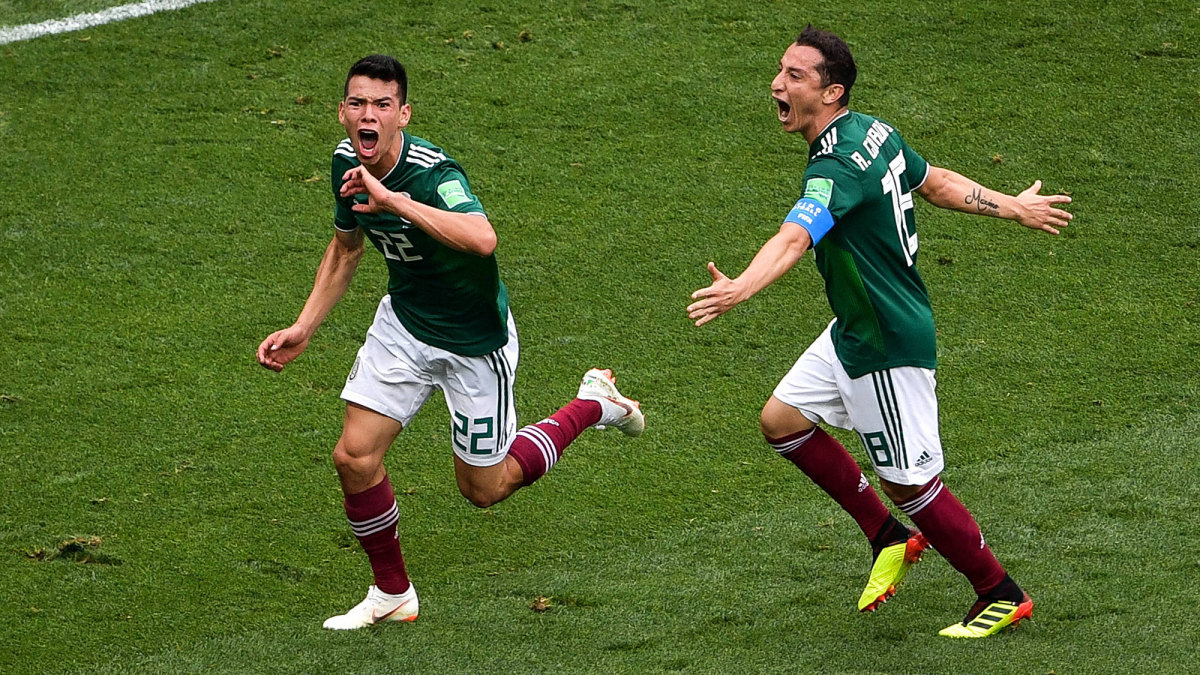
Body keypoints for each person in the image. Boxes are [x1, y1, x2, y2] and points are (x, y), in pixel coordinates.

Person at [687, 26, 1071, 638]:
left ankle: (999, 591)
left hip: (886, 341)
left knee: (909, 480)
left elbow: (793, 237)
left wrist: (739, 289)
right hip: (854, 327)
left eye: (795, 77)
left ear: (832, 92)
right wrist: (1012, 206)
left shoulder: (835, 167)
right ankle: (888, 536)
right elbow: (935, 180)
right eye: (780, 71)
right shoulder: (873, 131)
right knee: (781, 421)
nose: (777, 84)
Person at [257, 54, 645, 630]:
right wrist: (303, 327)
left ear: (402, 114)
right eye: (358, 103)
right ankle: (392, 593)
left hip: (473, 342)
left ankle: (593, 404)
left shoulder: (436, 174)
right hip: (407, 326)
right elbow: (346, 248)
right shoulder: (346, 160)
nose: (369, 115)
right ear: (342, 112)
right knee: (354, 456)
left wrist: (395, 203)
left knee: (485, 489)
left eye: (382, 105)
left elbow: (483, 238)